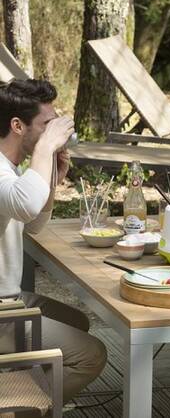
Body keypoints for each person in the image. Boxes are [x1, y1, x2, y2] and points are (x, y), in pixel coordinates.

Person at [0, 79, 107, 404]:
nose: (55, 133)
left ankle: (25, 388)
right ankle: (24, 407)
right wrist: (45, 149)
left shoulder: (11, 169)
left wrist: (51, 180)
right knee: (90, 354)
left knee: (76, 322)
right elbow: (26, 203)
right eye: (47, 125)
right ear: (17, 126)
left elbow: (32, 224)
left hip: (10, 298)